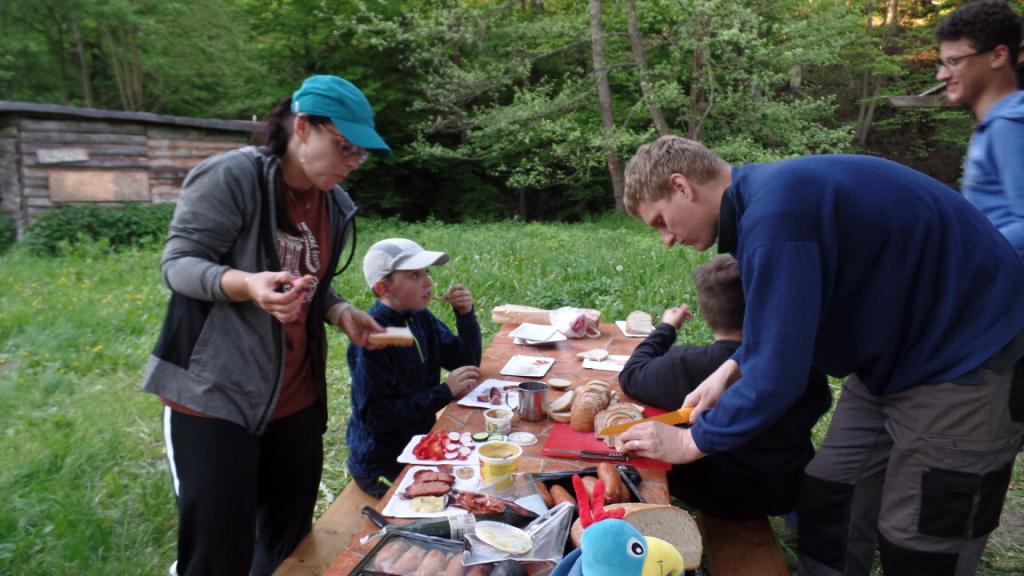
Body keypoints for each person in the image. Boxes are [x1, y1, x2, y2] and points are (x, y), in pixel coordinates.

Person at [616, 135, 1024, 576]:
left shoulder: (777, 215)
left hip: (968, 360)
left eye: (660, 221)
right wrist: (731, 368)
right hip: (889, 363)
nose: (666, 240)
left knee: (923, 537)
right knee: (832, 493)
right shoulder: (766, 206)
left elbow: (779, 375)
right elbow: (783, 323)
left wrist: (692, 441)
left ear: (682, 186)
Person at [142, 75, 389, 576]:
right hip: (214, 398)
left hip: (295, 401)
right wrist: (247, 284)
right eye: (345, 147)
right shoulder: (234, 178)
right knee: (218, 553)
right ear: (302, 127)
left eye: (361, 154)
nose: (352, 164)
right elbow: (178, 263)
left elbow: (313, 284)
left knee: (288, 547)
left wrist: (338, 311)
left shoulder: (334, 205)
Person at [618, 255, 830, 520]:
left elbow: (631, 374)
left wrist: (666, 327)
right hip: (786, 486)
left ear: (707, 313)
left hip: (729, 495)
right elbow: (821, 403)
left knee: (633, 445)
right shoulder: (798, 368)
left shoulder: (689, 365)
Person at [346, 238, 483, 498]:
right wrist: (444, 392)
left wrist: (465, 316)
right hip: (384, 464)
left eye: (426, 273)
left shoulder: (419, 317)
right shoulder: (374, 336)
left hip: (420, 443)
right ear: (383, 286)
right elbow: (378, 418)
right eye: (414, 275)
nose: (427, 281)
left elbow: (465, 363)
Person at [935, 0, 1024, 258]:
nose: (941, 75)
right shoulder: (996, 124)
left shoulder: (1009, 125)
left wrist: (968, 250)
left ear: (998, 56)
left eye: (954, 61)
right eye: (941, 63)